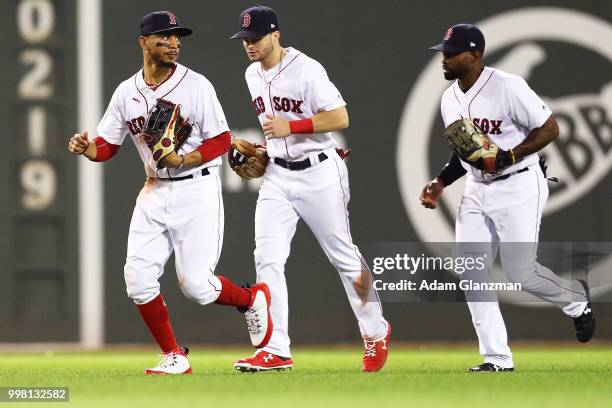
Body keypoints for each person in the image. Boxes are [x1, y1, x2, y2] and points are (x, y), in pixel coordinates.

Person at [67, 10, 272, 374]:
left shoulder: (196, 85)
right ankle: (173, 355)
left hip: (197, 189)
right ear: (143, 42)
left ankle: (251, 297)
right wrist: (87, 148)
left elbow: (222, 139)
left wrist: (183, 158)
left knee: (197, 287)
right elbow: (107, 146)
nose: (174, 43)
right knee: (138, 279)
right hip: (154, 191)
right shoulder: (125, 93)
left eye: (177, 37)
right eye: (164, 37)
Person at [421, 24, 596, 372]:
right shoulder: (448, 98)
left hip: (518, 184)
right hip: (475, 187)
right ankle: (497, 358)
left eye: (452, 52)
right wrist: (441, 181)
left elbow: (550, 128)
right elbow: (468, 151)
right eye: (443, 51)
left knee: (521, 272)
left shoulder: (508, 86)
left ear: (474, 54)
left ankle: (575, 298)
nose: (444, 58)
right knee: (471, 271)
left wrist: (509, 156)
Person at [229, 5, 390, 373]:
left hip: (320, 173)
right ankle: (276, 349)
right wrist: (264, 150)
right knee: (266, 257)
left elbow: (340, 117)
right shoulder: (251, 74)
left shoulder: (307, 69)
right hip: (277, 176)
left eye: (256, 38)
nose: (250, 45)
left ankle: (375, 331)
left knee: (344, 257)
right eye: (245, 40)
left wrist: (293, 127)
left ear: (276, 35)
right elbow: (274, 132)